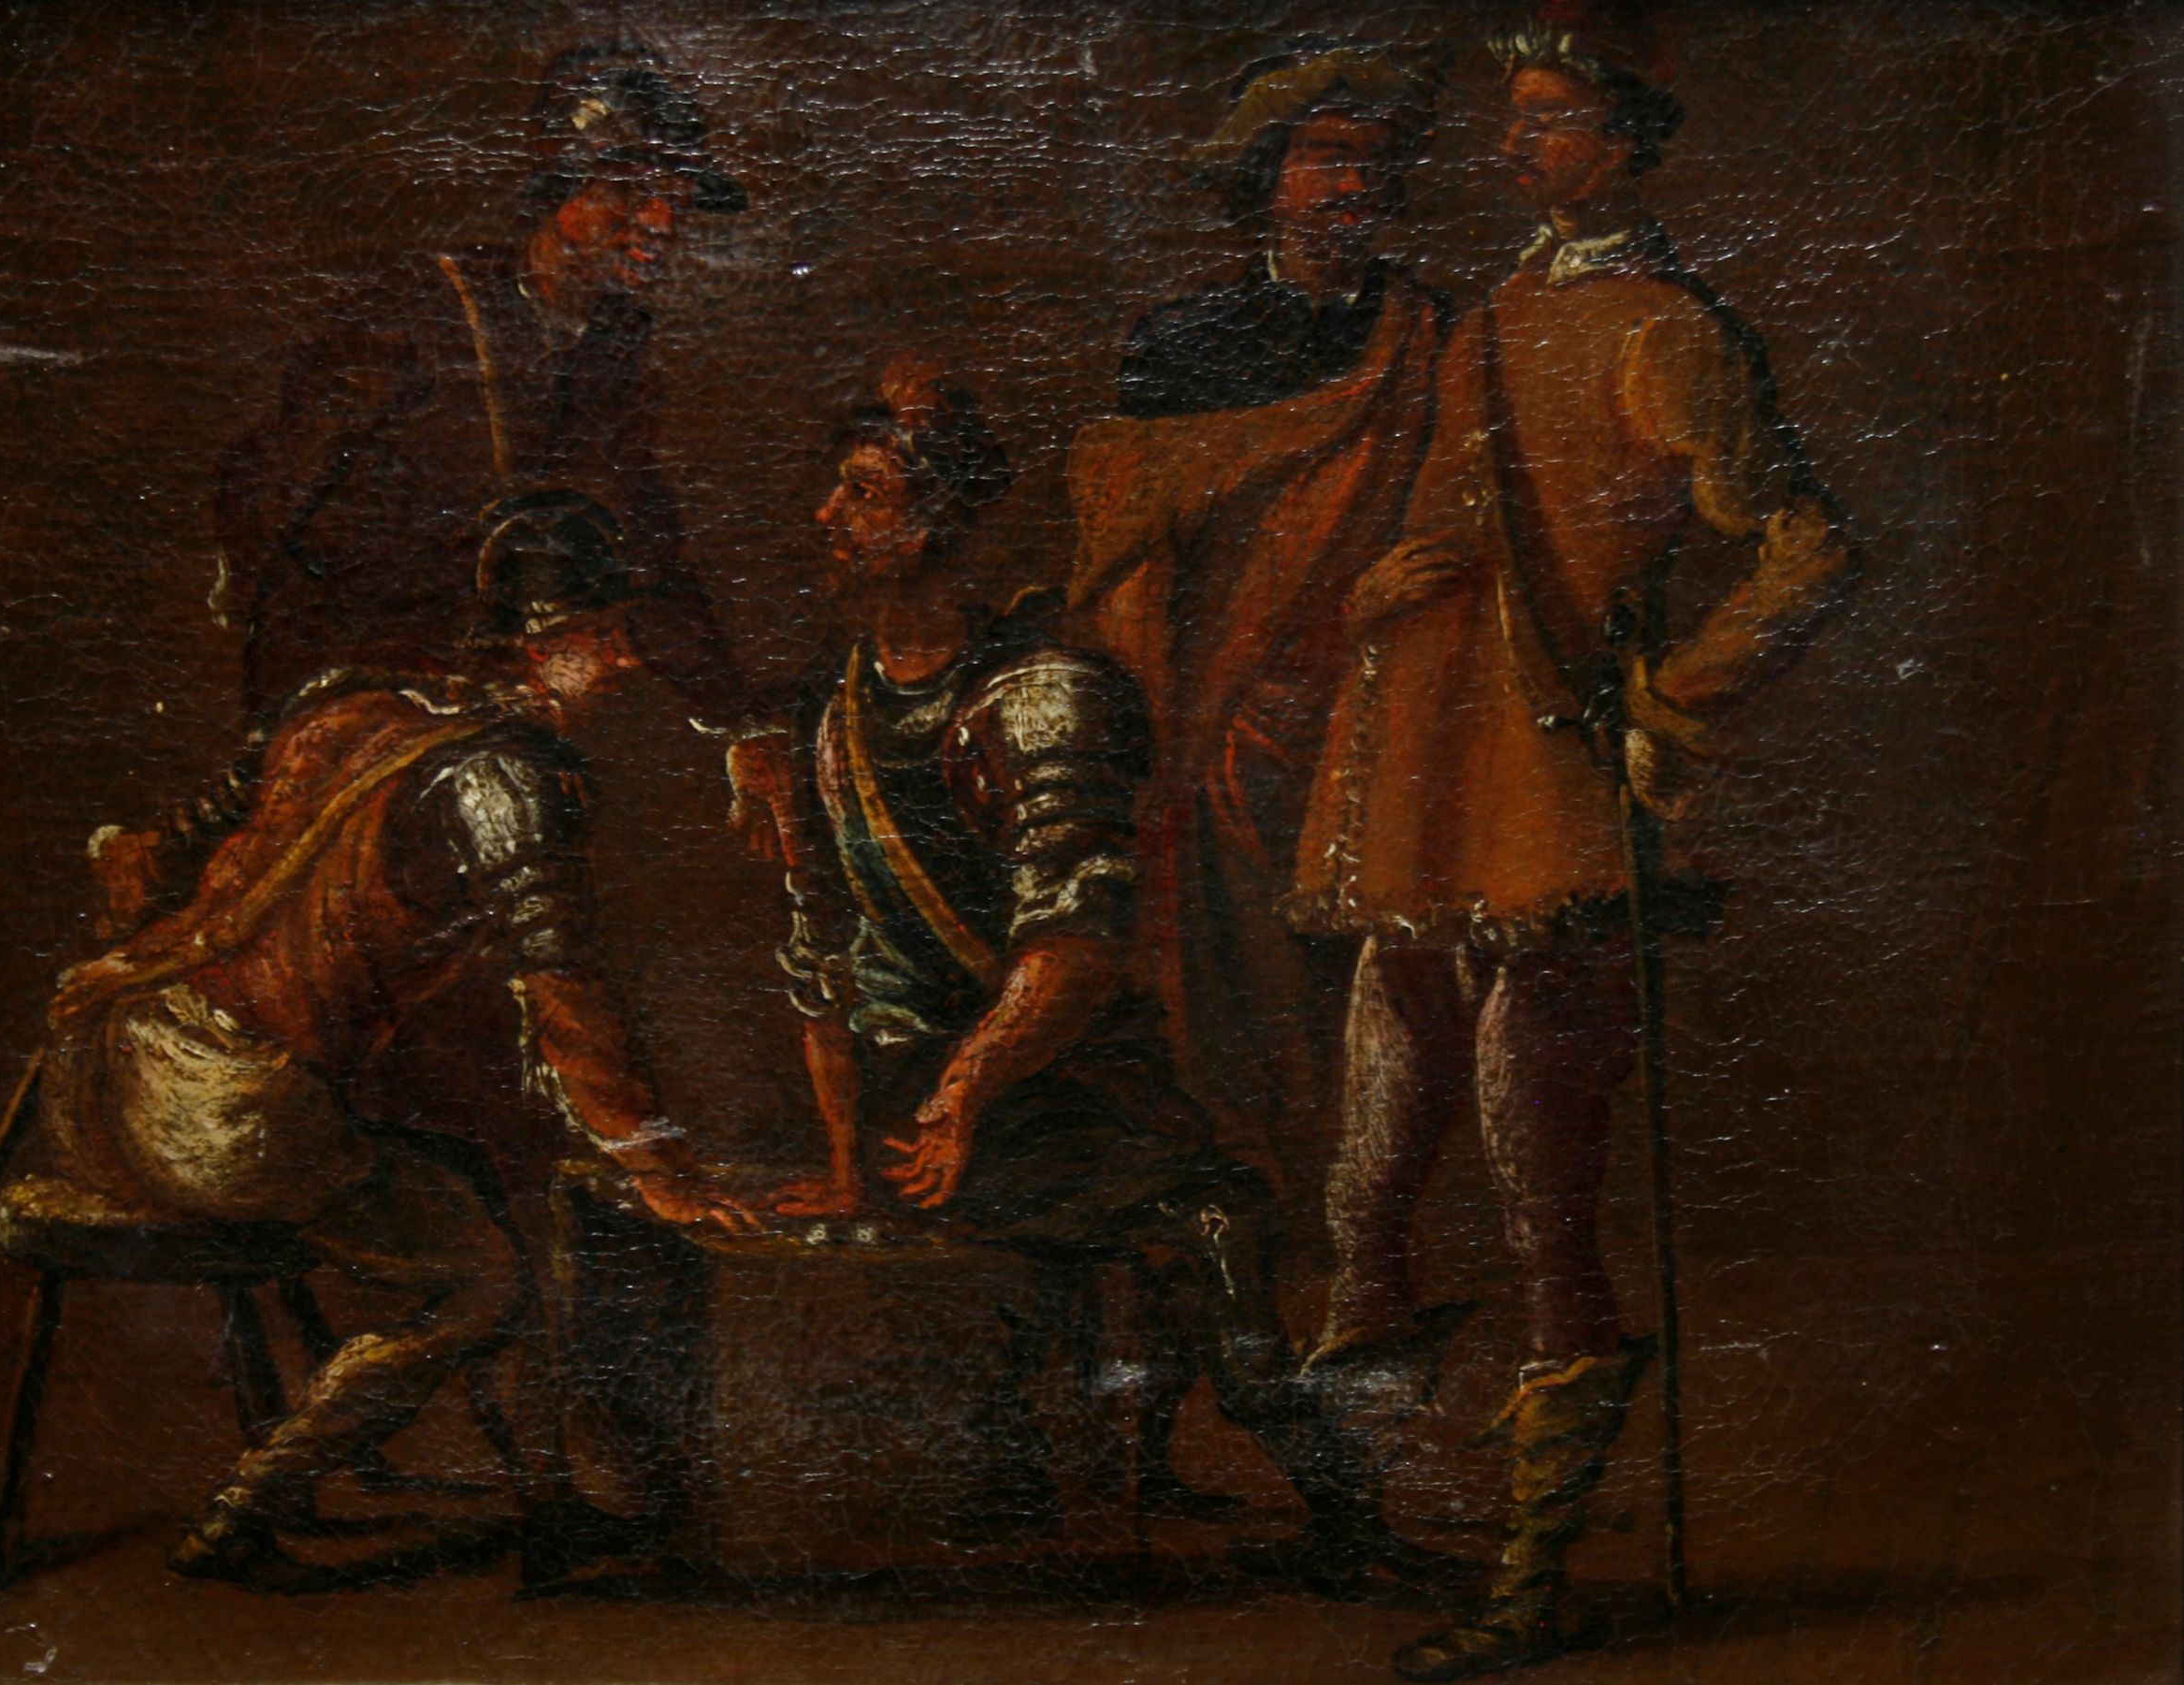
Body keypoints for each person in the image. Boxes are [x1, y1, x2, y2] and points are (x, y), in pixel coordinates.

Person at [1287, 4, 1859, 1676]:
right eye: (1516, 116)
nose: (1516, 144)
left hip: (1547, 804)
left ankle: (1529, 1581)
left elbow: (1806, 546)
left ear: (1623, 141)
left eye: (1548, 118)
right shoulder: (1489, 317)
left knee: (1544, 1205)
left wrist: (1672, 696)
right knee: (1366, 1188)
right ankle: (1374, 1507)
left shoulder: (1667, 329)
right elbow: (1460, 513)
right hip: (1423, 790)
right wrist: (1390, 582)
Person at [736, 358, 1457, 1585]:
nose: (827, 516)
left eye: (862, 493)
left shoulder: (1042, 696)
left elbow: (1073, 946)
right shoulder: (822, 713)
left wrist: (953, 1097)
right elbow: (823, 950)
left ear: (936, 522)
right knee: (1218, 1212)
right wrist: (879, 1147)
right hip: (959, 1102)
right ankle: (1330, 1503)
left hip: (1018, 1076)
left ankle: (1165, 1472)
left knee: (1196, 1179)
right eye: (837, 489)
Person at [47, 492, 760, 1591]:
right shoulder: (507, 781)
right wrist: (655, 1162)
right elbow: (564, 990)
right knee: (484, 1280)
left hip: (103, 1069)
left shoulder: (342, 704)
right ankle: (250, 1503)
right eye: (605, 634)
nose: (628, 661)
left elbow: (154, 857)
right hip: (228, 1117)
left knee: (495, 1188)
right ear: (537, 647)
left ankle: (549, 1503)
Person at [1065, 40, 1454, 1227]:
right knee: (1222, 959)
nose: (1350, 186)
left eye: (1371, 163)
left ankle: (1371, 1218)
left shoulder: (1433, 336)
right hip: (1218, 713)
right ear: (1265, 176)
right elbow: (1129, 562)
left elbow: (1457, 520)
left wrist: (1378, 607)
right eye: (1324, 157)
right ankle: (1256, 1194)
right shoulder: (1179, 345)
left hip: (1385, 693)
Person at [209, 35, 791, 823]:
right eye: (628, 190)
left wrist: (741, 720)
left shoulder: (614, 349)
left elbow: (650, 555)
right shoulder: (415, 310)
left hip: (495, 701)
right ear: (558, 189)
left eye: (677, 196)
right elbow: (268, 502)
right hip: (348, 691)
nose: (660, 220)